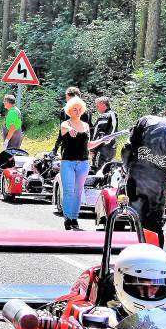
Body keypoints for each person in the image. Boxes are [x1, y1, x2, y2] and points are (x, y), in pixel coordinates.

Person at [124, 99, 166, 244]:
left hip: (135, 181)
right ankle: (154, 261)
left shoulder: (145, 120)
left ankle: (133, 259)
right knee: (154, 229)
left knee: (135, 224)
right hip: (156, 188)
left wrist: (128, 170)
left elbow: (127, 147)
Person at [57, 96, 108, 230]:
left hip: (83, 162)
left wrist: (102, 140)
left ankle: (74, 218)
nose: (77, 112)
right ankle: (68, 218)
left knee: (79, 192)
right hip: (68, 162)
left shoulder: (85, 125)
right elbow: (65, 127)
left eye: (79, 109)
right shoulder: (65, 124)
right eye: (74, 109)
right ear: (69, 110)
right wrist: (70, 129)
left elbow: (88, 145)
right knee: (68, 191)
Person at [112, 243, 166, 316]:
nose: (149, 293)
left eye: (155, 285)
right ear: (119, 281)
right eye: (141, 285)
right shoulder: (107, 317)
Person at [51, 86, 92, 156]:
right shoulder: (87, 111)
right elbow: (90, 130)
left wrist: (55, 149)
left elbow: (62, 131)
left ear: (69, 96)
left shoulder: (65, 111)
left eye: (66, 97)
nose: (66, 100)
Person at [91, 96, 118, 170]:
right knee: (107, 171)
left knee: (96, 170)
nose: (96, 108)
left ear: (103, 104)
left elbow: (99, 133)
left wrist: (92, 148)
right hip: (112, 148)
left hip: (102, 149)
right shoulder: (113, 114)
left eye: (97, 106)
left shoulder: (104, 116)